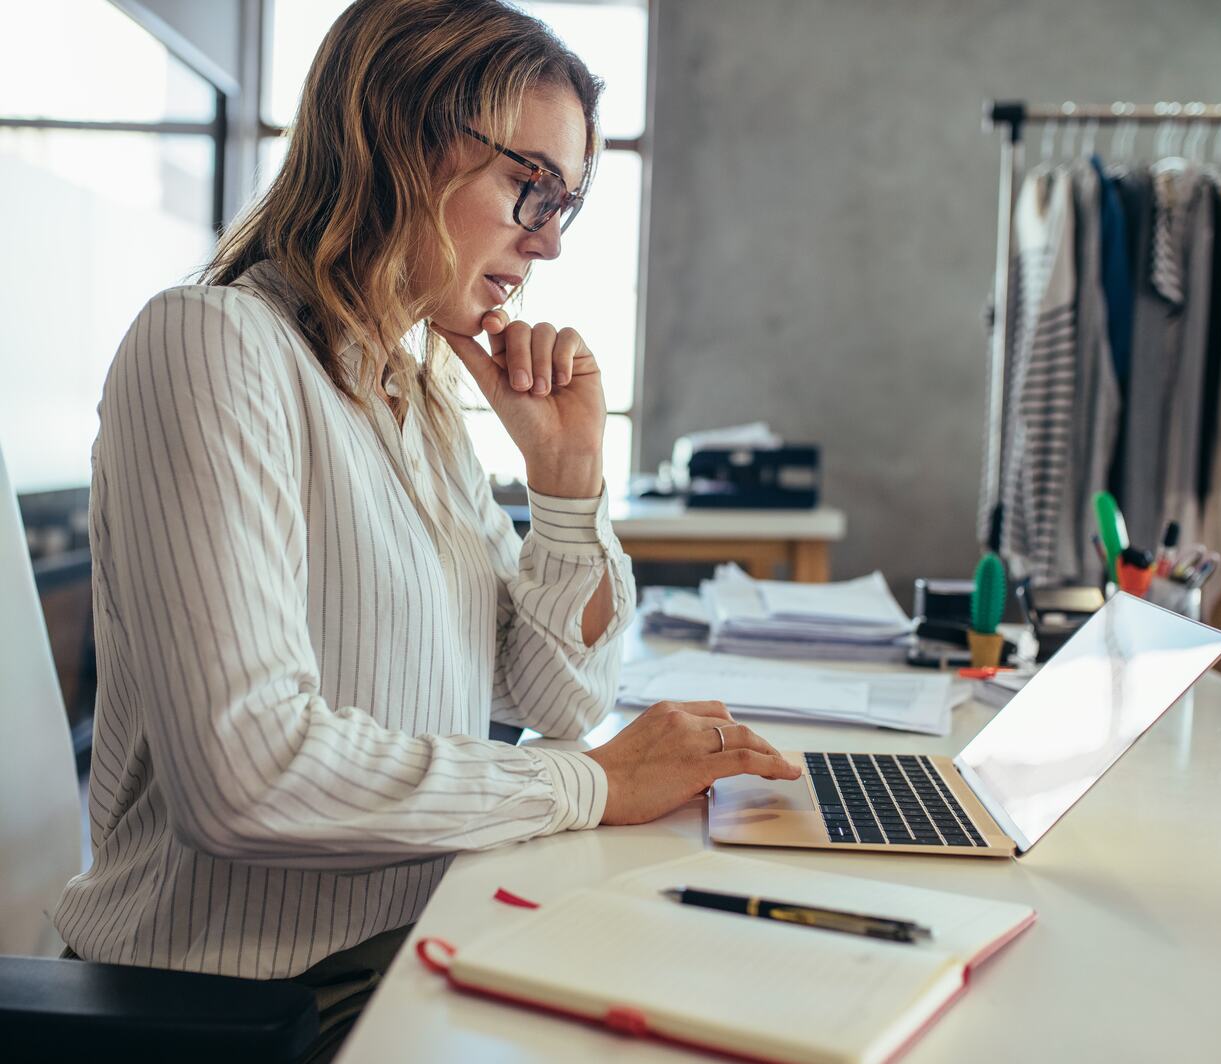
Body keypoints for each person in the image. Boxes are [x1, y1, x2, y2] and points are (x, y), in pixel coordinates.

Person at [53, 0, 799, 1055]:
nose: (544, 239)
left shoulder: (419, 395)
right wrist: (589, 783)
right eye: (529, 185)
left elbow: (556, 692)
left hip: (421, 938)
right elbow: (248, 774)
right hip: (243, 1006)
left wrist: (568, 481)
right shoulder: (213, 345)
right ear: (399, 138)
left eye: (566, 205)